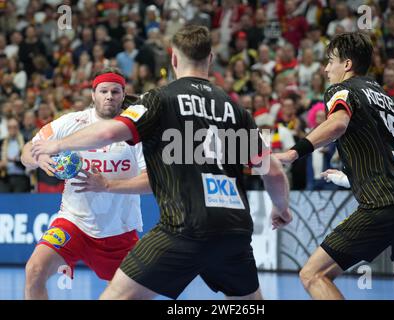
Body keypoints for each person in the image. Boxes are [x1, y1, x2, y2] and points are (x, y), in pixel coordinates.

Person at [31, 25, 292, 300]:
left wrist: (57, 144)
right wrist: (281, 207)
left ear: (174, 59)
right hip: (234, 229)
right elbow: (272, 171)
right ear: (211, 59)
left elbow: (108, 131)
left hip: (183, 226)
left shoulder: (160, 100)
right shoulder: (236, 109)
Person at [274, 32, 394, 300]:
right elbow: (389, 154)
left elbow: (337, 125)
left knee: (312, 275)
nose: (325, 68)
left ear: (347, 64)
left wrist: (291, 153)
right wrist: (350, 176)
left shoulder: (341, 89)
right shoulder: (386, 98)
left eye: (330, 61)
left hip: (384, 201)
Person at [21, 67, 151, 299]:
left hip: (118, 231)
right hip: (73, 223)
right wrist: (40, 158)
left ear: (123, 95)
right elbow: (27, 151)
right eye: (103, 91)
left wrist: (107, 185)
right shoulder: (72, 122)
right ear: (93, 94)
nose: (109, 96)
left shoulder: (137, 131)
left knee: (134, 294)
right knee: (34, 270)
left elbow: (151, 182)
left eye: (115, 91)